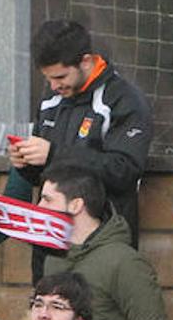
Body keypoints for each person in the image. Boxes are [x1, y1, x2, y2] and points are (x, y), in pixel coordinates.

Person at [10, 20, 152, 280]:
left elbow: (125, 169)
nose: (54, 86)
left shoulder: (123, 99)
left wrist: (54, 154)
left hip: (102, 244)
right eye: (48, 78)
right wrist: (27, 164)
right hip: (50, 245)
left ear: (86, 62)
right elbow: (48, 177)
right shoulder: (51, 102)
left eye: (61, 77)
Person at [40, 164, 173, 320]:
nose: (39, 207)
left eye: (47, 199)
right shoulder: (53, 259)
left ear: (76, 205)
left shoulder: (124, 261)